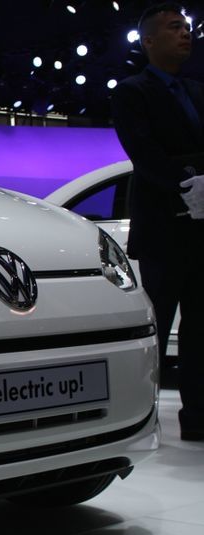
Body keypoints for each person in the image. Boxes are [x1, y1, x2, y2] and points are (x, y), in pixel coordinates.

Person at [110, 2, 204, 441]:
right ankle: (141, 418)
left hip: (201, 229)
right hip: (163, 231)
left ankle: (198, 419)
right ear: (148, 40)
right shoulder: (132, 92)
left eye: (187, 27)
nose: (185, 33)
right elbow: (145, 155)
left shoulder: (198, 91)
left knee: (201, 331)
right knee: (156, 328)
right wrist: (191, 176)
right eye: (174, 27)